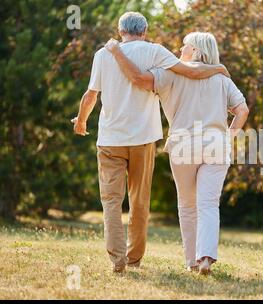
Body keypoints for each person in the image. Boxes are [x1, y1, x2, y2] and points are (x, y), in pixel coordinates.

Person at [72, 12, 229, 273]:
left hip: (110, 139)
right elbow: (189, 70)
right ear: (144, 31)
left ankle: (117, 259)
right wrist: (218, 68)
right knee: (140, 201)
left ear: (120, 30)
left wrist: (81, 120)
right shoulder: (155, 51)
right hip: (143, 139)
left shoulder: (103, 54)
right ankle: (134, 259)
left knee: (111, 201)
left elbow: (91, 95)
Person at [105, 31, 249, 275]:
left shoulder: (170, 74)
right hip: (216, 144)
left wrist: (117, 53)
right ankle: (205, 258)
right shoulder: (221, 77)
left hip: (183, 144)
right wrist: (229, 136)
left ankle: (191, 261)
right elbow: (242, 110)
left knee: (187, 205)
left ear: (195, 50)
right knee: (209, 204)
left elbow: (139, 80)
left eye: (184, 46)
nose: (179, 50)